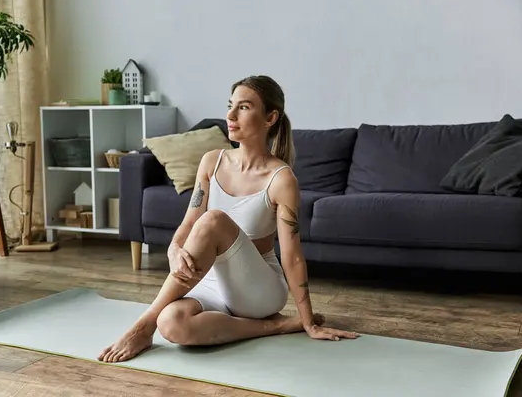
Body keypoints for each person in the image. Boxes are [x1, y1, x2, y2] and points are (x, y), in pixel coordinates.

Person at [98, 75, 359, 363]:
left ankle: (142, 326)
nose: (230, 116)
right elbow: (189, 222)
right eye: (230, 105)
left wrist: (308, 319)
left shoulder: (281, 179)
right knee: (171, 323)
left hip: (259, 289)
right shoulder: (212, 161)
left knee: (213, 221)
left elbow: (293, 256)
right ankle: (278, 325)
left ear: (270, 117)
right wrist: (174, 250)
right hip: (214, 282)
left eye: (244, 107)